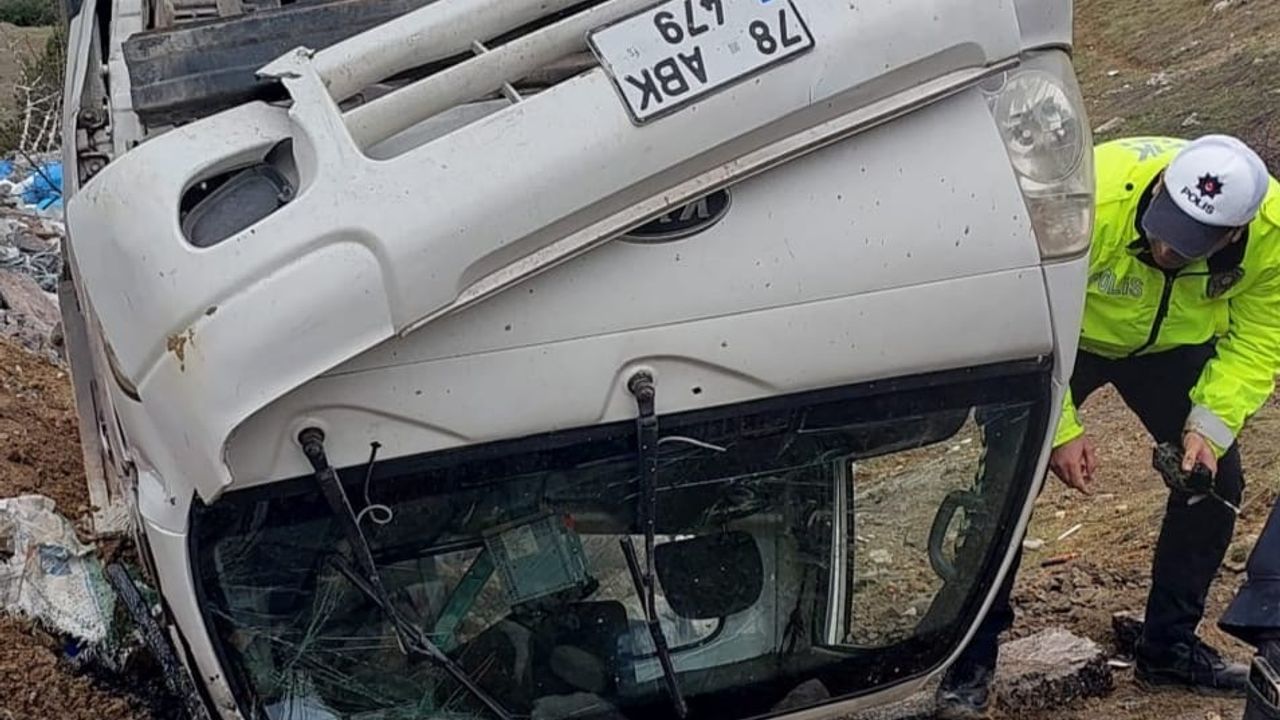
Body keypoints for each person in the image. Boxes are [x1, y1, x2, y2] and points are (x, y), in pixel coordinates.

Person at [936, 134, 1280, 719]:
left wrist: (1209, 425)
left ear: (1233, 235)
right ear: (1161, 187)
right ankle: (969, 659)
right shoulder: (1086, 198)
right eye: (1164, 227)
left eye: (1188, 244)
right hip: (1061, 339)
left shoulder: (1271, 235)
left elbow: (1259, 337)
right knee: (1009, 484)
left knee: (1213, 483)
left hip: (1172, 347)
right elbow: (1023, 308)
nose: (1165, 247)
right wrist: (1061, 429)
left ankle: (1168, 647)